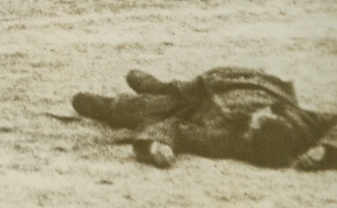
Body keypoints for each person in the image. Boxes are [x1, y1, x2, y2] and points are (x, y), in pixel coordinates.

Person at [72, 66, 337, 170]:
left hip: (199, 101)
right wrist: (326, 152)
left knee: (142, 109)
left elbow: (176, 126)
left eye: (257, 119)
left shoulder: (224, 138)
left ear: (247, 134)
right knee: (169, 91)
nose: (261, 112)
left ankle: (109, 106)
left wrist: (156, 145)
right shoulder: (302, 124)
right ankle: (157, 84)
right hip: (241, 79)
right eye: (265, 114)